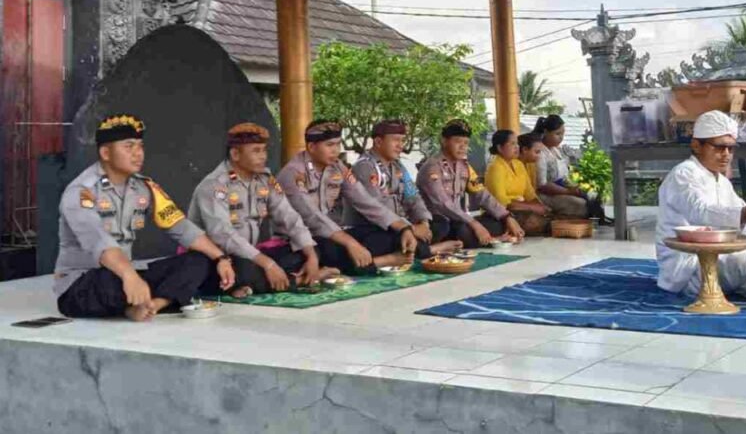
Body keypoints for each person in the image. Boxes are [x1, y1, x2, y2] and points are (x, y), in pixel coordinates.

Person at [55, 114, 235, 321]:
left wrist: (220, 258)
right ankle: (139, 302)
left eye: (140, 146)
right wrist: (129, 276)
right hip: (84, 282)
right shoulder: (81, 192)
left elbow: (180, 226)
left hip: (126, 275)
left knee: (201, 261)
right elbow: (100, 244)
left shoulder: (143, 188)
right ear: (105, 152)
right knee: (108, 280)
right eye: (129, 146)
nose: (138, 153)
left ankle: (155, 304)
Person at [279, 119, 458, 275]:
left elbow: (365, 200)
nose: (336, 150)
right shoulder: (293, 174)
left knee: (392, 236)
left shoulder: (338, 167)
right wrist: (351, 244)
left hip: (336, 234)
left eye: (338, 144)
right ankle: (392, 259)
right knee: (331, 253)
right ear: (311, 147)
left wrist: (404, 228)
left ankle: (397, 254)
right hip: (303, 239)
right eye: (330, 145)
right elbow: (313, 218)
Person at [656, 110, 746, 299]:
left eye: (731, 149)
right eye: (719, 147)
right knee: (745, 262)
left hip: (719, 256)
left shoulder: (720, 181)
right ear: (696, 145)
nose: (726, 155)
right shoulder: (683, 174)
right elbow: (701, 213)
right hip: (687, 269)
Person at [188, 122, 330, 297]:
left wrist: (311, 257)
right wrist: (267, 264)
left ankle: (253, 286)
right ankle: (297, 281)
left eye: (264, 150)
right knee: (240, 269)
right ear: (235, 154)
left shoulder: (265, 180)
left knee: (309, 248)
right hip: (219, 258)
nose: (263, 156)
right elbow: (222, 235)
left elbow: (288, 216)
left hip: (252, 254)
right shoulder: (215, 185)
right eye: (256, 151)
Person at [417, 119, 524, 248]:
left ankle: (482, 239)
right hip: (436, 221)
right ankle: (471, 241)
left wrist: (506, 216)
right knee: (454, 229)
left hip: (459, 220)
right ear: (444, 141)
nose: (463, 147)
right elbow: (443, 204)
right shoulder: (432, 168)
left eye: (466, 143)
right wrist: (474, 224)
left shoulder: (465, 166)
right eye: (457, 141)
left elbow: (481, 194)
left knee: (497, 222)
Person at [532, 114, 610, 224]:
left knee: (594, 194)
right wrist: (568, 191)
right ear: (545, 132)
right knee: (581, 205)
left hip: (562, 188)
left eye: (562, 134)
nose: (561, 137)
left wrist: (574, 186)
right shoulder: (540, 152)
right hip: (547, 194)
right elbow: (542, 185)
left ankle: (601, 218)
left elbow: (566, 174)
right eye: (557, 134)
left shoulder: (557, 150)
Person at [484, 130, 550, 236]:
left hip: (521, 208)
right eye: (512, 144)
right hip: (501, 213)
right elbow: (502, 203)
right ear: (500, 148)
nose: (517, 147)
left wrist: (540, 206)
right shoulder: (495, 167)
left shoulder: (518, 164)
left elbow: (529, 194)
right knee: (535, 221)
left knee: (549, 215)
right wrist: (532, 207)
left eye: (517, 143)